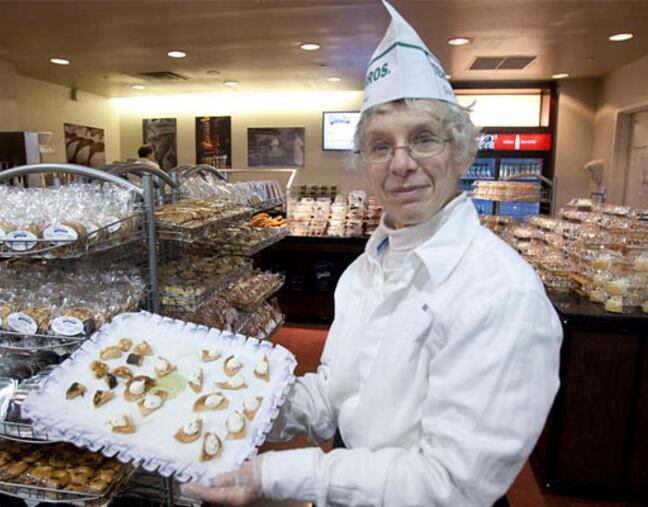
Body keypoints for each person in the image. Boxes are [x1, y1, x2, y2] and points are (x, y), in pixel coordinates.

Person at [187, 2, 562, 506]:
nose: (402, 164)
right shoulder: (365, 269)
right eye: (381, 146)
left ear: (461, 151)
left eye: (424, 139)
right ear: (364, 163)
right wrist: (239, 405)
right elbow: (336, 396)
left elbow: (450, 483)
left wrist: (272, 475)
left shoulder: (501, 293)